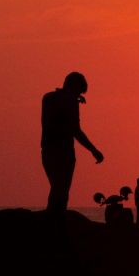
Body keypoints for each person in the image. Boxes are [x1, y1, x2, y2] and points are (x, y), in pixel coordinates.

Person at [41, 72, 104, 220]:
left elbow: (59, 102)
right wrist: (93, 150)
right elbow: (75, 130)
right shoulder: (70, 101)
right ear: (75, 87)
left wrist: (74, 98)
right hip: (63, 151)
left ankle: (52, 220)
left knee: (56, 187)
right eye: (79, 91)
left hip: (47, 150)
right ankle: (56, 223)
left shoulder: (48, 98)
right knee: (61, 190)